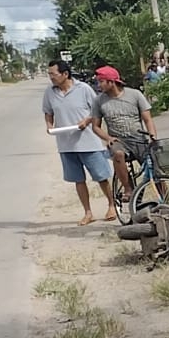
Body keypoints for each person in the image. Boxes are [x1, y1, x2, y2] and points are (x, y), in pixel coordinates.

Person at [42, 59, 115, 225]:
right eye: (50, 74)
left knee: (101, 176)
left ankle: (112, 205)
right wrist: (49, 125)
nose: (51, 78)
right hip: (66, 144)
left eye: (53, 74)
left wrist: (86, 121)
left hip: (88, 142)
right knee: (78, 180)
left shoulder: (83, 89)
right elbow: (48, 112)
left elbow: (95, 110)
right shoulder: (50, 92)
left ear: (65, 74)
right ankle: (88, 212)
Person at [88, 65, 157, 200]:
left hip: (139, 138)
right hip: (118, 140)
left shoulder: (135, 94)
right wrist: (107, 138)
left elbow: (148, 119)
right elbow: (95, 126)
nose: (98, 85)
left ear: (111, 82)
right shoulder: (99, 101)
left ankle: (164, 199)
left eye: (101, 81)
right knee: (118, 154)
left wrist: (153, 136)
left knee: (156, 167)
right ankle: (128, 188)